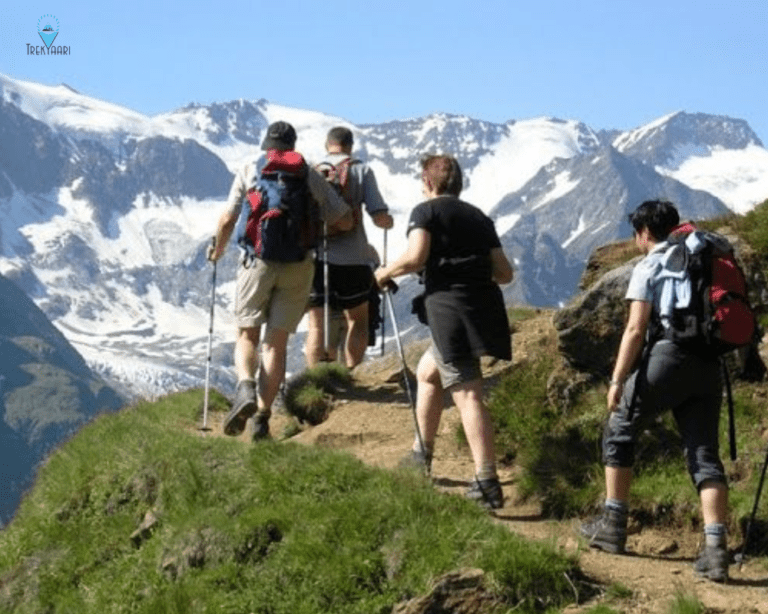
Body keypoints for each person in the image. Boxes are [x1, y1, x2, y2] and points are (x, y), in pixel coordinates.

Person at [578, 200, 730, 583]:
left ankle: (613, 525)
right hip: (710, 364)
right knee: (704, 455)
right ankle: (716, 551)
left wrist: (616, 381)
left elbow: (634, 329)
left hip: (667, 357)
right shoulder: (702, 257)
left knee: (619, 427)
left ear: (644, 233)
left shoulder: (650, 264)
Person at [374, 154, 513, 509]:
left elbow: (416, 257)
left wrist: (384, 272)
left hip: (448, 309)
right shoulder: (479, 217)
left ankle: (487, 480)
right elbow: (504, 273)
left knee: (467, 391)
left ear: (428, 183)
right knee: (428, 373)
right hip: (482, 305)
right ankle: (421, 453)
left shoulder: (426, 212)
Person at [208, 121, 351, 440]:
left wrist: (217, 250)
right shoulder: (309, 173)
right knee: (277, 342)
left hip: (257, 261)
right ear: (293, 145)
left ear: (267, 144)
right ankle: (261, 416)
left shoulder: (250, 167)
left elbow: (229, 218)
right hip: (299, 265)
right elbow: (343, 219)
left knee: (247, 334)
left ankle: (245, 386)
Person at [304, 126, 393, 369]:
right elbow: (379, 216)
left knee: (316, 325)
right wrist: (388, 220)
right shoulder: (361, 169)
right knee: (358, 320)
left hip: (315, 258)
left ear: (327, 144)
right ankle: (351, 374)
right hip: (353, 259)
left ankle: (318, 382)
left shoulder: (311, 172)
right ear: (350, 146)